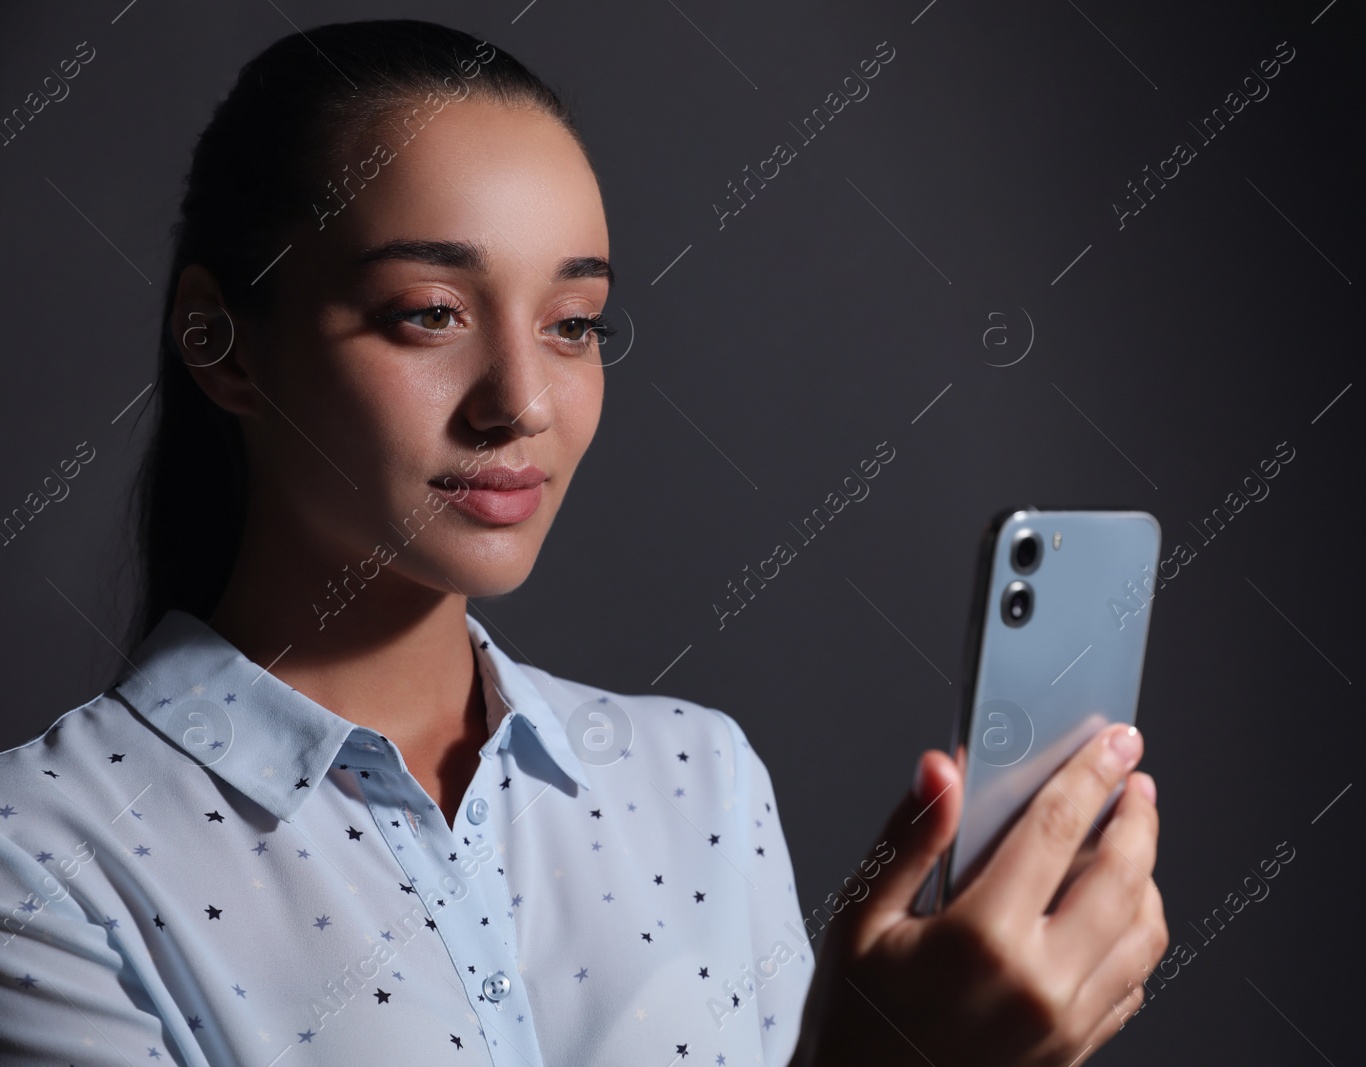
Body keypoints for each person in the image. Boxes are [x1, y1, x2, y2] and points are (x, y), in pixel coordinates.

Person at [0, 19, 1166, 1066]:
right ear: (223, 341)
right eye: (430, 313)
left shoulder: (696, 779)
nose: (521, 399)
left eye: (574, 324)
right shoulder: (42, 863)